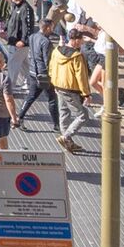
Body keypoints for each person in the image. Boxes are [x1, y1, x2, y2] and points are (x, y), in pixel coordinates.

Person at [48, 22, 96, 154]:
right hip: (70, 88)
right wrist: (86, 94)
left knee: (63, 112)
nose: (81, 44)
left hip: (57, 85)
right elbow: (81, 76)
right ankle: (66, 136)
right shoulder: (77, 56)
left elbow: (51, 68)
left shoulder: (56, 51)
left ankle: (67, 143)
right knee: (82, 115)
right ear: (75, 40)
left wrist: (53, 79)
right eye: (80, 41)